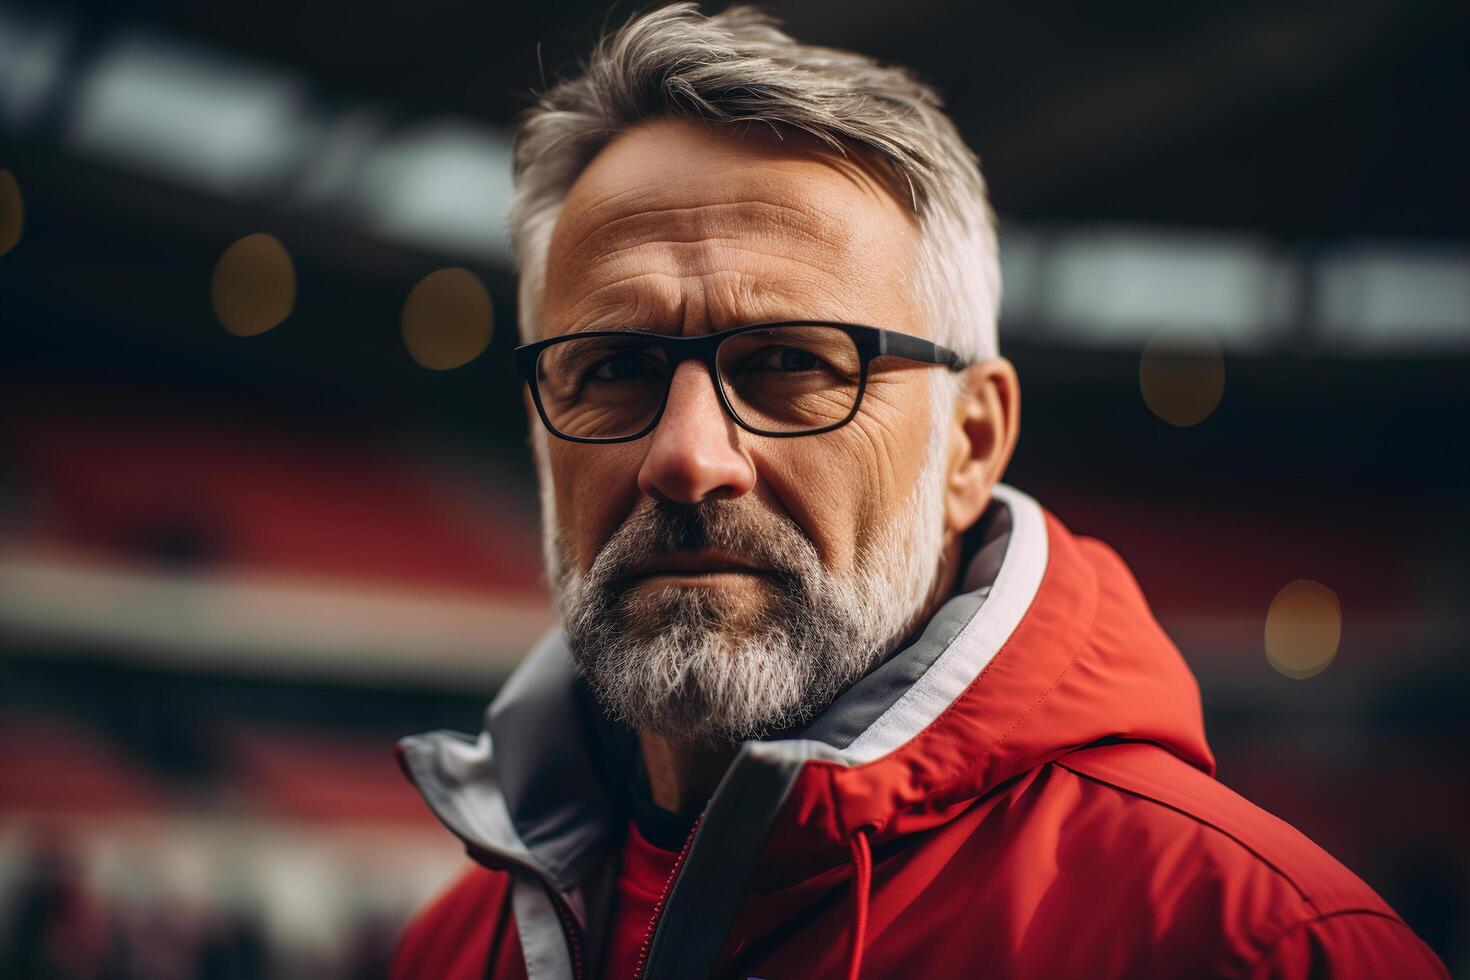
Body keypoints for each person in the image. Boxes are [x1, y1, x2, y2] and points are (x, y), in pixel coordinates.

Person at [390, 5, 1448, 978]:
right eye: (612, 369)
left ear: (971, 442)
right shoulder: (449, 949)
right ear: (540, 431)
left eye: (791, 363)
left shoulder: (1264, 946)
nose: (688, 456)